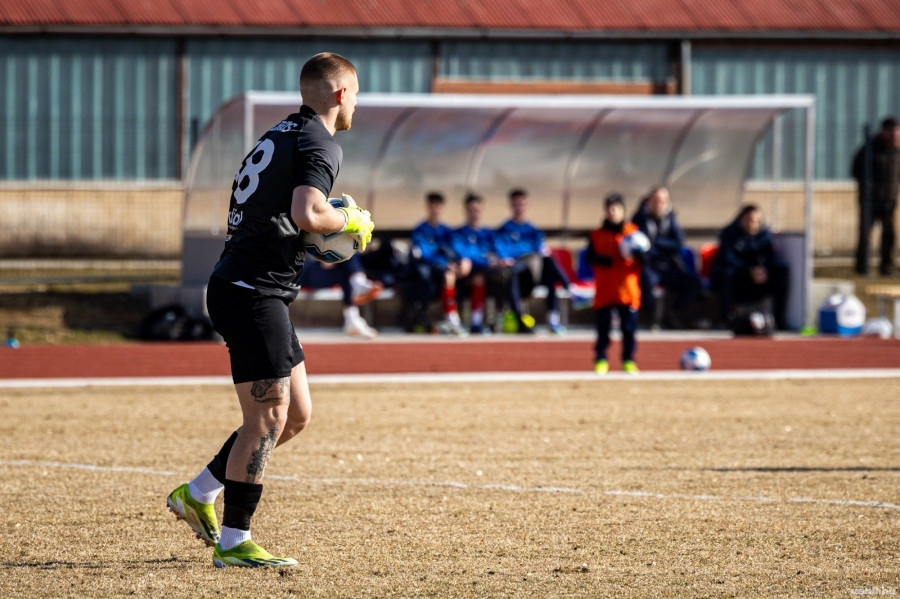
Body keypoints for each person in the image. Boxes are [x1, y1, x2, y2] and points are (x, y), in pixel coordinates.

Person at [166, 52, 374, 569]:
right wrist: (349, 220)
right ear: (341, 94)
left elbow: (283, 215)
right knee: (267, 417)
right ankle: (234, 542)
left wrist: (317, 230)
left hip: (253, 286)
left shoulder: (282, 133)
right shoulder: (321, 141)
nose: (357, 105)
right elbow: (308, 212)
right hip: (251, 290)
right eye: (356, 94)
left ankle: (199, 492)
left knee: (294, 416)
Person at [494, 188, 571, 334]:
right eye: (516, 204)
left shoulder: (533, 230)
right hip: (518, 271)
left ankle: (553, 319)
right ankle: (570, 289)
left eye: (522, 204)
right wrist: (506, 259)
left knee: (549, 265)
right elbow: (502, 252)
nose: (519, 208)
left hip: (534, 267)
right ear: (511, 206)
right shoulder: (504, 229)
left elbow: (540, 249)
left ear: (527, 206)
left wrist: (542, 253)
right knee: (514, 270)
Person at [631, 186, 704, 328]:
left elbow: (678, 243)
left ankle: (672, 314)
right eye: (656, 200)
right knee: (645, 280)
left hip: (669, 266)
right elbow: (640, 244)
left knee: (694, 283)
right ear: (649, 201)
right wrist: (660, 247)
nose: (659, 204)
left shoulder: (671, 218)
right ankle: (651, 318)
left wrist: (655, 242)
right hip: (649, 266)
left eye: (663, 201)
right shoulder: (639, 218)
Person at [585, 193, 642, 375]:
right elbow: (589, 258)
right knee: (603, 328)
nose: (612, 212)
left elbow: (647, 260)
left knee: (628, 328)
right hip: (605, 289)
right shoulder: (597, 235)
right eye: (609, 208)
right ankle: (601, 359)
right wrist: (601, 260)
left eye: (616, 208)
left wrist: (640, 255)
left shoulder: (633, 233)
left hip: (627, 290)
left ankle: (628, 360)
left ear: (623, 210)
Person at [711, 204, 789, 330]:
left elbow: (770, 258)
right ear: (741, 219)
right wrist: (749, 270)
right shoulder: (729, 233)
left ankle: (779, 320)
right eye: (750, 220)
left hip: (757, 281)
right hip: (738, 280)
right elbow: (728, 258)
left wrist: (764, 271)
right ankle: (726, 320)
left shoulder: (764, 235)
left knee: (781, 271)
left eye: (758, 221)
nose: (753, 224)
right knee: (726, 272)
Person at [408, 192, 469, 335]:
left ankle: (473, 320)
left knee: (474, 277)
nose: (435, 209)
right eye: (432, 206)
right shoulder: (420, 230)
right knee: (449, 276)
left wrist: (463, 260)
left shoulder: (447, 231)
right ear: (427, 207)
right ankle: (452, 318)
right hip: (429, 269)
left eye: (438, 206)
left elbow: (456, 249)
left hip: (448, 267)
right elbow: (424, 254)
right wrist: (446, 263)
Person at [852, 116, 900, 276]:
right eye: (891, 132)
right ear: (884, 132)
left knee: (889, 235)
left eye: (897, 132)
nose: (894, 136)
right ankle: (862, 266)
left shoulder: (896, 152)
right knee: (865, 235)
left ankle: (887, 266)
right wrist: (868, 188)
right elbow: (856, 170)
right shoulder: (869, 149)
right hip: (870, 201)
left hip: (889, 200)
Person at [298, 254, 382, 339]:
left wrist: (330, 258)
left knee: (347, 267)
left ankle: (352, 320)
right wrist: (324, 258)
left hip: (323, 269)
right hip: (307, 274)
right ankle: (359, 284)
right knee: (348, 261)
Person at [451, 193, 501, 333]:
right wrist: (467, 259)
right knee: (453, 277)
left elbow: (495, 254)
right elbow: (459, 252)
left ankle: (483, 321)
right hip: (463, 275)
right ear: (465, 211)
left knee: (484, 278)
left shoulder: (489, 234)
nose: (474, 214)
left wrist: (476, 260)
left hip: (487, 274)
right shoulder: (459, 233)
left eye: (477, 210)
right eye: (471, 210)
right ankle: (455, 320)